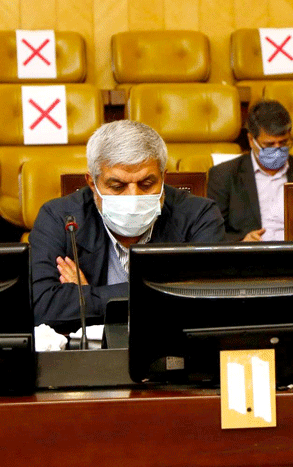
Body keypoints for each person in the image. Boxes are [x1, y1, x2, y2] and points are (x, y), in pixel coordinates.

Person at [30, 120, 225, 330]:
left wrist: (86, 297)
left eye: (147, 184)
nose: (133, 196)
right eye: (117, 186)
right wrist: (165, 291)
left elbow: (210, 303)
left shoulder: (199, 215)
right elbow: (43, 308)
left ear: (163, 178)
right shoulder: (59, 217)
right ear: (92, 183)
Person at [207, 100, 293, 242]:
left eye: (283, 142)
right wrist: (241, 242)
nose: (277, 149)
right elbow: (211, 232)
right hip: (251, 254)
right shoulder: (224, 175)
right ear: (251, 140)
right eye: (269, 145)